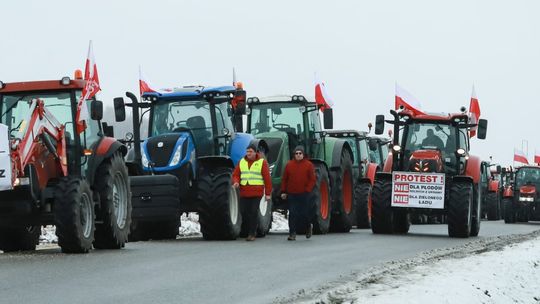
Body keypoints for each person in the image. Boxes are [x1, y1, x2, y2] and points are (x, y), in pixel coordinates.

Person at [232, 143, 272, 241]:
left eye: (250, 152)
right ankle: (246, 230)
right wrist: (236, 182)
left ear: (255, 153)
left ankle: (252, 233)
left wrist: (267, 194)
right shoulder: (242, 162)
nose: (248, 153)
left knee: (253, 212)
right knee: (244, 212)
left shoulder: (261, 163)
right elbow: (236, 174)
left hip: (256, 193)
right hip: (244, 192)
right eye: (247, 151)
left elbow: (267, 179)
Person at [280, 145, 316, 241]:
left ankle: (308, 227)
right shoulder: (289, 165)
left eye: (300, 153)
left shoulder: (309, 165)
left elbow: (312, 180)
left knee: (304, 214)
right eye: (296, 153)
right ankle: (292, 233)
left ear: (303, 155)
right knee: (292, 213)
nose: (298, 155)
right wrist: (283, 191)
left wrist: (307, 190)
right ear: (294, 155)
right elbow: (284, 179)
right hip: (292, 194)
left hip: (304, 193)